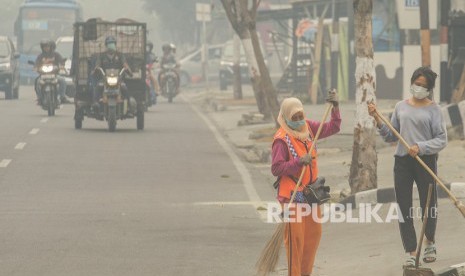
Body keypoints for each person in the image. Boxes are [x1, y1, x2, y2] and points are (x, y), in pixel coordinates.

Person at [368, 67, 447, 268]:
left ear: (429, 89)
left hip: (425, 161)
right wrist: (377, 119)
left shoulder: (434, 110)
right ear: (412, 83)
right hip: (402, 162)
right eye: (417, 84)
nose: (419, 88)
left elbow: (441, 139)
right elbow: (391, 135)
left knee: (428, 204)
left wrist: (421, 147)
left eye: (424, 86)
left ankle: (429, 241)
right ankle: (411, 251)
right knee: (404, 207)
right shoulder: (400, 107)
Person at [271, 91, 341, 276]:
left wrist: (335, 108)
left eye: (301, 115)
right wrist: (299, 162)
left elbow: (334, 127)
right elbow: (276, 168)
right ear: (286, 118)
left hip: (311, 195)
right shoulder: (281, 139)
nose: (299, 119)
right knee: (296, 242)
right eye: (295, 117)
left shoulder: (309, 128)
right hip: (292, 197)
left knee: (313, 237)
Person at [93, 36, 131, 104]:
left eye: (112, 44)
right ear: (106, 45)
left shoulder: (120, 55)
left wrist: (127, 69)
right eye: (109, 44)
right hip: (105, 79)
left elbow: (125, 64)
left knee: (124, 88)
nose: (111, 46)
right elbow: (97, 64)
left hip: (118, 79)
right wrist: (96, 68)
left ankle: (128, 104)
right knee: (98, 87)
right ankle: (96, 103)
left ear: (115, 45)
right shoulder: (101, 55)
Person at [34, 39, 70, 104]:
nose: (46, 48)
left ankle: (62, 97)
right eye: (44, 47)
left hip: (55, 75)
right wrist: (36, 68)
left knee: (62, 81)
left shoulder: (56, 55)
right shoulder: (40, 56)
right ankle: (40, 98)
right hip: (43, 76)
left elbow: (61, 62)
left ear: (51, 47)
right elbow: (36, 64)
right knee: (37, 82)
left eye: (47, 46)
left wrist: (61, 65)